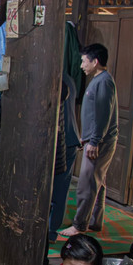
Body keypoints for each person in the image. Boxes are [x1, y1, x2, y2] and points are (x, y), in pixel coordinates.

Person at [61, 44, 119, 237]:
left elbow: (103, 114)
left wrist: (94, 141)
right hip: (94, 139)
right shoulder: (99, 80)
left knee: (87, 182)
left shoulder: (103, 82)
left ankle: (79, 225)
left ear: (95, 62)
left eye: (84, 61)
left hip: (98, 142)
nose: (81, 65)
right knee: (97, 181)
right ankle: (94, 221)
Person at [49, 73, 81, 242]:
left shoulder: (50, 77)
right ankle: (51, 231)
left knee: (57, 190)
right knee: (60, 189)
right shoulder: (68, 77)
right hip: (68, 138)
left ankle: (50, 231)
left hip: (60, 140)